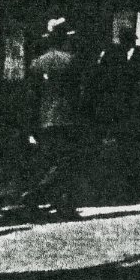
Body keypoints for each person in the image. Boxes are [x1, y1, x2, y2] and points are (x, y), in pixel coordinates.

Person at [22, 19, 88, 219]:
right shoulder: (72, 61)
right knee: (66, 161)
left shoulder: (37, 63)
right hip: (66, 118)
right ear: (63, 38)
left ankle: (59, 203)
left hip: (44, 119)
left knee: (50, 160)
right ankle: (38, 196)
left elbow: (32, 96)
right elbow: (80, 92)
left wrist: (31, 124)